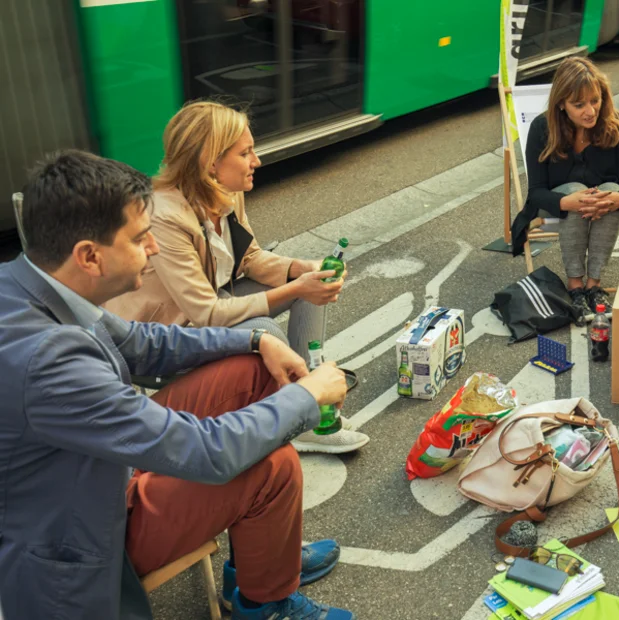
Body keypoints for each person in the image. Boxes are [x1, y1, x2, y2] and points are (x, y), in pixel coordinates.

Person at [0, 150, 355, 620]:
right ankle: (262, 602)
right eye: (140, 238)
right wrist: (308, 395)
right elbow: (205, 452)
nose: (153, 248)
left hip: (98, 467)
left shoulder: (29, 286)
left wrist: (253, 341)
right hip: (87, 529)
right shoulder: (47, 360)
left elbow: (145, 342)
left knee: (251, 370)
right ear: (89, 256)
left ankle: (260, 558)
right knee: (272, 467)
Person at [105, 100, 369, 455]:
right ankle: (296, 419)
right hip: (166, 333)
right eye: (246, 153)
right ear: (211, 162)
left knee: (313, 285)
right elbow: (206, 314)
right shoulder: (165, 216)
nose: (257, 161)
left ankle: (314, 404)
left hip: (208, 304)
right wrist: (293, 286)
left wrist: (301, 269)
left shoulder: (224, 193)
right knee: (264, 330)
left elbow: (250, 258)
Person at [510, 57, 619, 323]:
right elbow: (535, 192)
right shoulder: (542, 129)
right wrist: (568, 202)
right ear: (562, 104)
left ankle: (594, 285)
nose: (590, 111)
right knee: (575, 189)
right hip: (558, 202)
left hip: (603, 205)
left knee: (611, 190)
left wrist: (618, 198)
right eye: (579, 104)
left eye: (595, 101)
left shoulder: (616, 126)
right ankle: (575, 285)